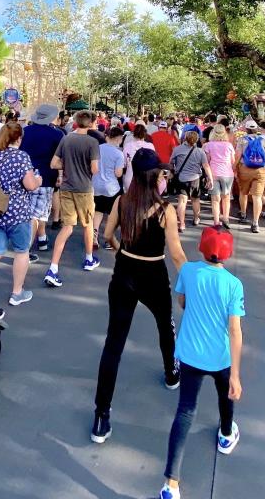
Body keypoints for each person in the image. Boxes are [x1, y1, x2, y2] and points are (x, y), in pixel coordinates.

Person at [92, 148, 187, 444]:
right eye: (162, 172)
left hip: (124, 274)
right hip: (153, 275)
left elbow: (107, 235)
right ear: (154, 175)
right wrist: (190, 284)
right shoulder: (165, 211)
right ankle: (172, 373)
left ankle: (101, 415)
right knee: (165, 325)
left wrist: (122, 251)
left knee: (114, 344)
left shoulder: (123, 202)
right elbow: (176, 254)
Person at [158, 226, 244, 499]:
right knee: (224, 398)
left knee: (185, 411)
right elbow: (235, 330)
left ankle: (170, 484)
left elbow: (182, 302)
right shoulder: (233, 284)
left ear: (201, 248)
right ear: (228, 254)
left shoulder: (188, 271)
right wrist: (236, 375)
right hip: (220, 358)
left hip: (190, 355)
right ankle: (226, 434)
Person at [0, 122, 42, 309]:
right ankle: (17, 292)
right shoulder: (21, 157)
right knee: (21, 251)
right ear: (18, 138)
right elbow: (30, 185)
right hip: (17, 212)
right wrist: (39, 179)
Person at [45, 111, 100, 286]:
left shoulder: (66, 138)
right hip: (84, 188)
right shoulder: (92, 142)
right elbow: (94, 169)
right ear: (91, 123)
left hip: (67, 188)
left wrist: (68, 165)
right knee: (87, 224)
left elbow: (54, 163)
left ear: (76, 122)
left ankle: (53, 267)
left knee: (67, 226)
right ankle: (89, 258)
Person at [19, 104, 64, 259]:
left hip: (24, 175)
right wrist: (60, 175)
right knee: (36, 214)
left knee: (33, 211)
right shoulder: (57, 135)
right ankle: (26, 250)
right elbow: (59, 158)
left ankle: (42, 238)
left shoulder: (24, 132)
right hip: (46, 177)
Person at [170, 131, 212, 232]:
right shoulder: (200, 152)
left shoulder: (177, 149)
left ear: (185, 138)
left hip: (181, 178)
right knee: (195, 200)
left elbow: (171, 162)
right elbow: (206, 166)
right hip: (195, 178)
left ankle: (182, 224)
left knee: (182, 201)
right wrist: (210, 178)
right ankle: (196, 218)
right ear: (196, 140)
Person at [235, 121, 265, 233]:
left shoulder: (242, 140)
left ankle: (243, 214)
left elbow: (237, 156)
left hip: (245, 169)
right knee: (257, 196)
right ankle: (255, 223)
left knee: (243, 193)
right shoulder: (264, 140)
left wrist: (234, 168)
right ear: (257, 129)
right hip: (260, 170)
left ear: (246, 129)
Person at [92, 127, 125, 252]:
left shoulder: (97, 149)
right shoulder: (118, 154)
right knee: (112, 214)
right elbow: (118, 174)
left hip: (96, 185)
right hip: (112, 187)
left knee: (98, 211)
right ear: (119, 138)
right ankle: (108, 239)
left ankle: (94, 236)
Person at [204, 125, 236, 228]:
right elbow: (233, 161)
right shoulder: (229, 145)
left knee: (215, 199)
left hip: (214, 173)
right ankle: (226, 218)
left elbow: (207, 161)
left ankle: (216, 222)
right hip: (227, 173)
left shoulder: (208, 145)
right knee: (226, 197)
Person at [122, 124, 155, 192]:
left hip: (130, 179)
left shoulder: (127, 146)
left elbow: (124, 163)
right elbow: (154, 162)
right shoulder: (150, 146)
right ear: (144, 134)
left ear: (134, 134)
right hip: (146, 179)